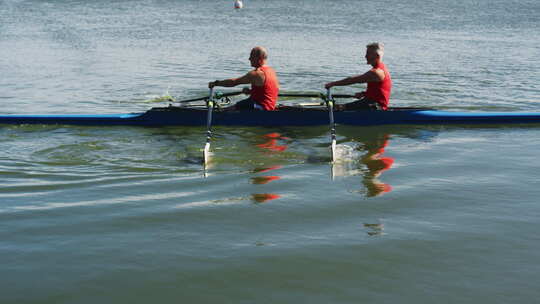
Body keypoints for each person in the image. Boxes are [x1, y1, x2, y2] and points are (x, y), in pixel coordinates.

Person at [208, 46, 280, 111]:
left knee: (227, 110)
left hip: (261, 107)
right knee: (242, 104)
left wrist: (216, 83)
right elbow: (266, 92)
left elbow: (234, 82)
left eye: (251, 56)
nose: (249, 59)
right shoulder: (271, 71)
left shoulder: (256, 74)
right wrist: (251, 92)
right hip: (270, 106)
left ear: (259, 57)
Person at [325, 42, 392, 110]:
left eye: (368, 53)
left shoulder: (377, 72)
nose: (365, 56)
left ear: (377, 56)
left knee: (339, 108)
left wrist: (333, 83)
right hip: (372, 104)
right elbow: (378, 91)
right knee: (337, 107)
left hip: (375, 107)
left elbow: (354, 80)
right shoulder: (381, 69)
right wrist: (364, 94)